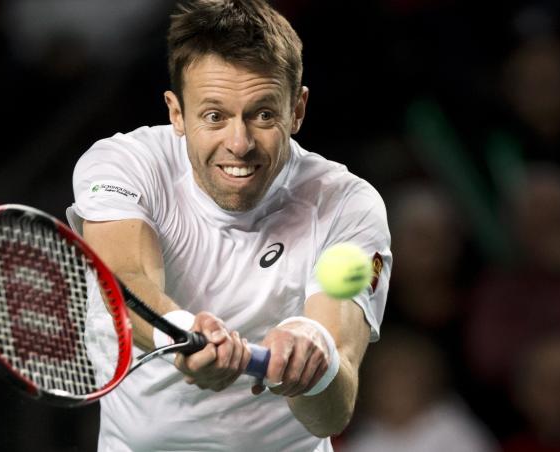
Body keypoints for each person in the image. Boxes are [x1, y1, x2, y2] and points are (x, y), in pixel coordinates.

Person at [65, 0, 392, 450]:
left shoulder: (346, 203)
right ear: (176, 112)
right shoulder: (124, 164)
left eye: (263, 114)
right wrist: (181, 333)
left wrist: (313, 360)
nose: (239, 144)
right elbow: (125, 279)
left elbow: (332, 413)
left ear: (297, 109)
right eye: (214, 116)